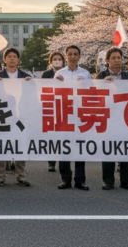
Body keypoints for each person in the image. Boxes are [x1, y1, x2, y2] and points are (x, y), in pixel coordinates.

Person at [95, 47, 128, 191]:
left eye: (119, 57)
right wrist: (102, 84)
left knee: (126, 149)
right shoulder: (101, 76)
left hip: (126, 117)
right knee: (108, 149)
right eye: (114, 58)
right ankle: (108, 181)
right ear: (107, 61)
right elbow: (94, 96)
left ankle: (126, 181)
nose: (117, 60)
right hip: (108, 117)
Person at [0, 48, 31, 187]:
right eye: (9, 56)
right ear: (5, 59)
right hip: (3, 115)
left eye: (15, 56)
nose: (12, 59)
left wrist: (30, 83)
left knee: (20, 143)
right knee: (1, 144)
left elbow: (31, 95)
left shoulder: (25, 76)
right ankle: (0, 176)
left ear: (18, 60)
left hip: (20, 115)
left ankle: (21, 175)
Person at [54, 45, 90, 190]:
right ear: (66, 56)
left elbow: (92, 93)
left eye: (76, 54)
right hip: (64, 113)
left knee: (80, 147)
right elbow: (51, 92)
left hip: (80, 114)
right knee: (65, 147)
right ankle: (65, 179)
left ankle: (80, 180)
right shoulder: (59, 74)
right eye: (70, 54)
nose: (73, 57)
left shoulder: (86, 73)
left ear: (79, 56)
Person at [42, 51, 65, 172]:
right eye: (55, 59)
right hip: (51, 107)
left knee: (63, 136)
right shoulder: (46, 74)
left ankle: (62, 159)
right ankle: (51, 162)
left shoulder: (67, 73)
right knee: (52, 137)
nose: (57, 61)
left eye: (59, 59)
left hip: (65, 107)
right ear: (50, 62)